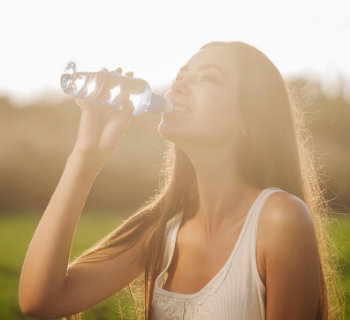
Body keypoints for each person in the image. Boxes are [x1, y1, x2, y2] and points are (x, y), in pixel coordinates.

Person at [19, 41, 340, 320]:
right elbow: (41, 300)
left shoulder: (280, 219)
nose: (179, 87)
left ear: (248, 119)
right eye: (180, 76)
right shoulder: (161, 229)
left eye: (208, 78)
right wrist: (85, 156)